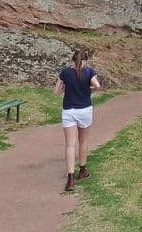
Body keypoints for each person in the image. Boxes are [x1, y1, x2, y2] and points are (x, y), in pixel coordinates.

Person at [55, 49, 101, 191]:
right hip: (85, 110)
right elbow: (98, 86)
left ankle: (70, 178)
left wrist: (66, 88)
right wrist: (88, 88)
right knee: (83, 141)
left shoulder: (65, 73)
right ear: (85, 61)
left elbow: (56, 91)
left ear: (73, 60)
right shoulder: (89, 72)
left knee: (70, 145)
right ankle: (82, 170)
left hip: (69, 111)